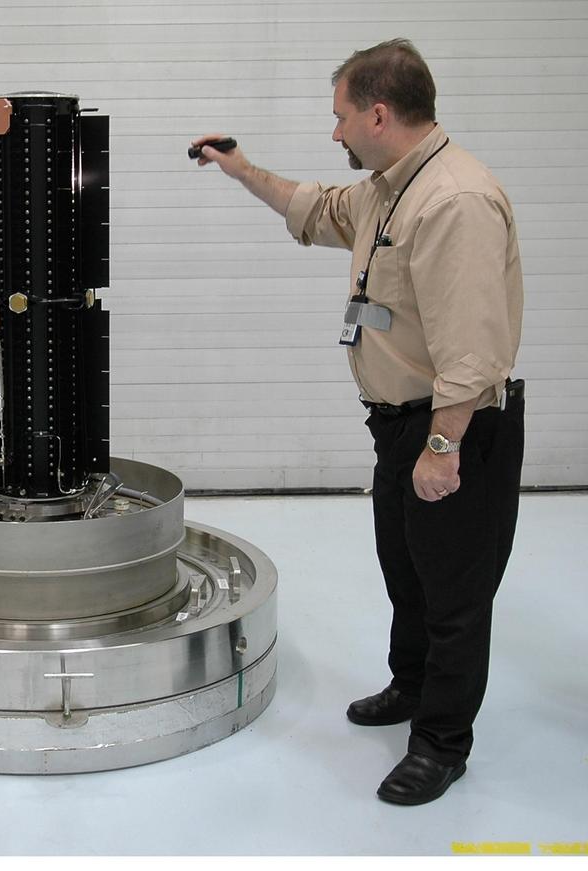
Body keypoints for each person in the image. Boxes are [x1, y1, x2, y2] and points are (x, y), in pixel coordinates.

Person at [193, 38, 523, 805]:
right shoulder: (386, 189)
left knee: (454, 596)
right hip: (400, 427)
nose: (334, 131)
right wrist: (241, 168)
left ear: (379, 114)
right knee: (407, 571)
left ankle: (441, 743)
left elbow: (473, 352)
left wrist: (441, 447)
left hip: (455, 429)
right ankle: (411, 685)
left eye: (340, 116)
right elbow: (314, 207)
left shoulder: (454, 200)